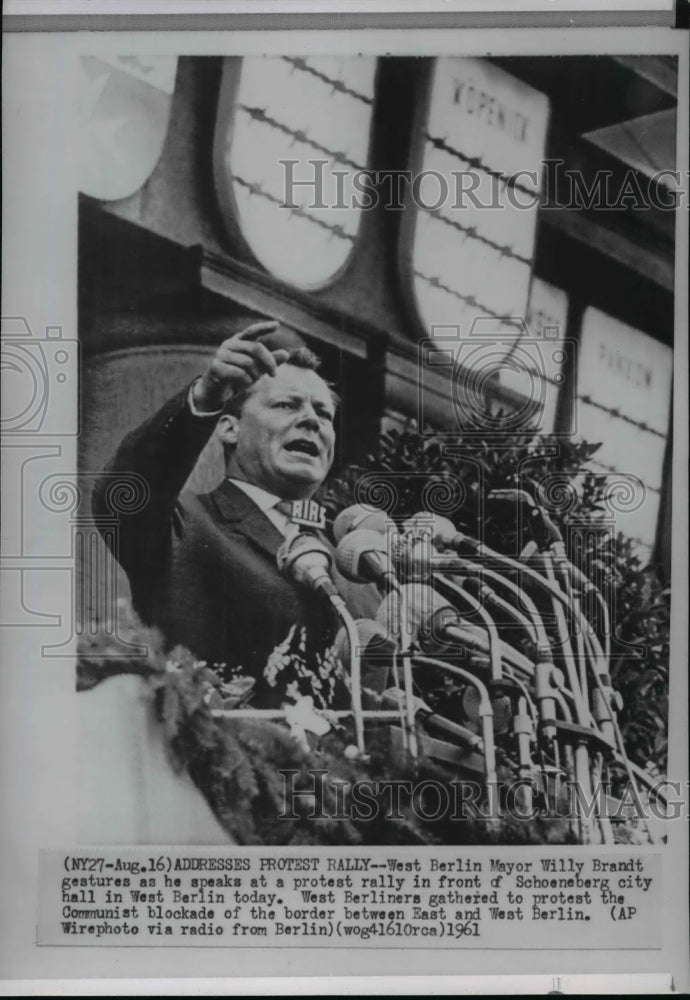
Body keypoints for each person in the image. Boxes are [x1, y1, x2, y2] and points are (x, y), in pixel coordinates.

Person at [93, 320, 378, 710]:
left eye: (324, 414)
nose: (313, 420)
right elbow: (123, 493)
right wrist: (206, 394)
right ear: (229, 429)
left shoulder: (357, 568)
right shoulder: (187, 524)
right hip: (218, 760)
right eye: (286, 404)